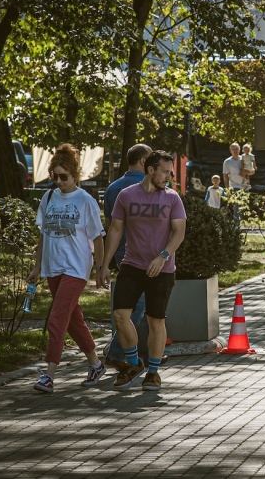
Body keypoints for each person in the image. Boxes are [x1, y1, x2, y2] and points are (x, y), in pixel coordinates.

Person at [98, 150, 187, 391]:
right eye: (166, 172)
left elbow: (179, 232)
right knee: (120, 316)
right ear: (150, 169)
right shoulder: (127, 196)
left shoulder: (172, 198)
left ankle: (153, 372)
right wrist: (104, 265)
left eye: (170, 172)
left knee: (155, 320)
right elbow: (115, 230)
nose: (169, 177)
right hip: (132, 265)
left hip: (163, 268)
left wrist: (163, 256)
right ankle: (135, 363)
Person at [28, 143, 106, 393]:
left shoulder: (85, 200)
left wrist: (99, 268)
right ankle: (95, 364)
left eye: (64, 176)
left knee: (57, 318)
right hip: (53, 267)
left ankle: (49, 374)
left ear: (75, 175)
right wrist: (37, 266)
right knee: (73, 320)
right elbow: (43, 235)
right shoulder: (48, 197)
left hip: (76, 267)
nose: (59, 181)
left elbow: (98, 237)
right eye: (55, 176)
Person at [102, 144, 152, 373]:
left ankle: (142, 352)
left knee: (136, 305)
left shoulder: (112, 189)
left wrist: (106, 260)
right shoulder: (148, 186)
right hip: (143, 254)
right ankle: (115, 353)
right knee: (137, 307)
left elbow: (111, 226)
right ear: (143, 162)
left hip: (122, 253)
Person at [223, 142, 245, 228]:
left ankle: (240, 224)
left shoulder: (243, 159)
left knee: (242, 206)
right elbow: (225, 176)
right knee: (237, 205)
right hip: (234, 186)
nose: (235, 150)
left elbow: (251, 170)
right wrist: (227, 188)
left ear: (239, 150)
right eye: (233, 149)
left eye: (237, 149)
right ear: (230, 150)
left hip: (244, 186)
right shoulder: (227, 162)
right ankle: (236, 225)